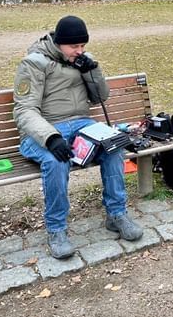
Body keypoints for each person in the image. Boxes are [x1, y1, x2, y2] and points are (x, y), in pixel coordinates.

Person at [13, 15, 143, 259]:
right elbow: (24, 110)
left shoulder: (82, 60)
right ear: (59, 43)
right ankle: (56, 229)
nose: (80, 50)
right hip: (45, 130)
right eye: (74, 46)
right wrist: (50, 137)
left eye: (83, 45)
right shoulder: (34, 63)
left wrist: (92, 71)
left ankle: (117, 214)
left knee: (113, 147)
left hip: (82, 123)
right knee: (56, 161)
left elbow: (100, 98)